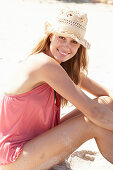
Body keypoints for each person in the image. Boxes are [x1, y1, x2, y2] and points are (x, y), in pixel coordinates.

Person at [0, 7, 113, 170]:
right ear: (51, 36)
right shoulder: (43, 64)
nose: (67, 46)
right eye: (62, 37)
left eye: (74, 41)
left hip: (38, 142)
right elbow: (94, 113)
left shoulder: (62, 67)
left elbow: (106, 95)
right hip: (15, 157)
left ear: (79, 46)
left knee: (105, 103)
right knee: (93, 122)